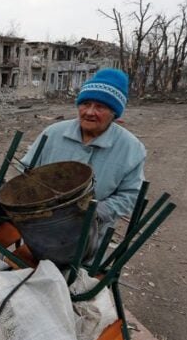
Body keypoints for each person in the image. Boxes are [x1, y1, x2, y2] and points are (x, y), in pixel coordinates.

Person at [20, 68, 146, 237]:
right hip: (37, 225)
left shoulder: (131, 147)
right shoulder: (53, 133)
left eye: (100, 107)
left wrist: (96, 211)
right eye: (85, 104)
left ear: (114, 113)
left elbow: (131, 194)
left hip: (87, 235)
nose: (89, 112)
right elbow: (24, 171)